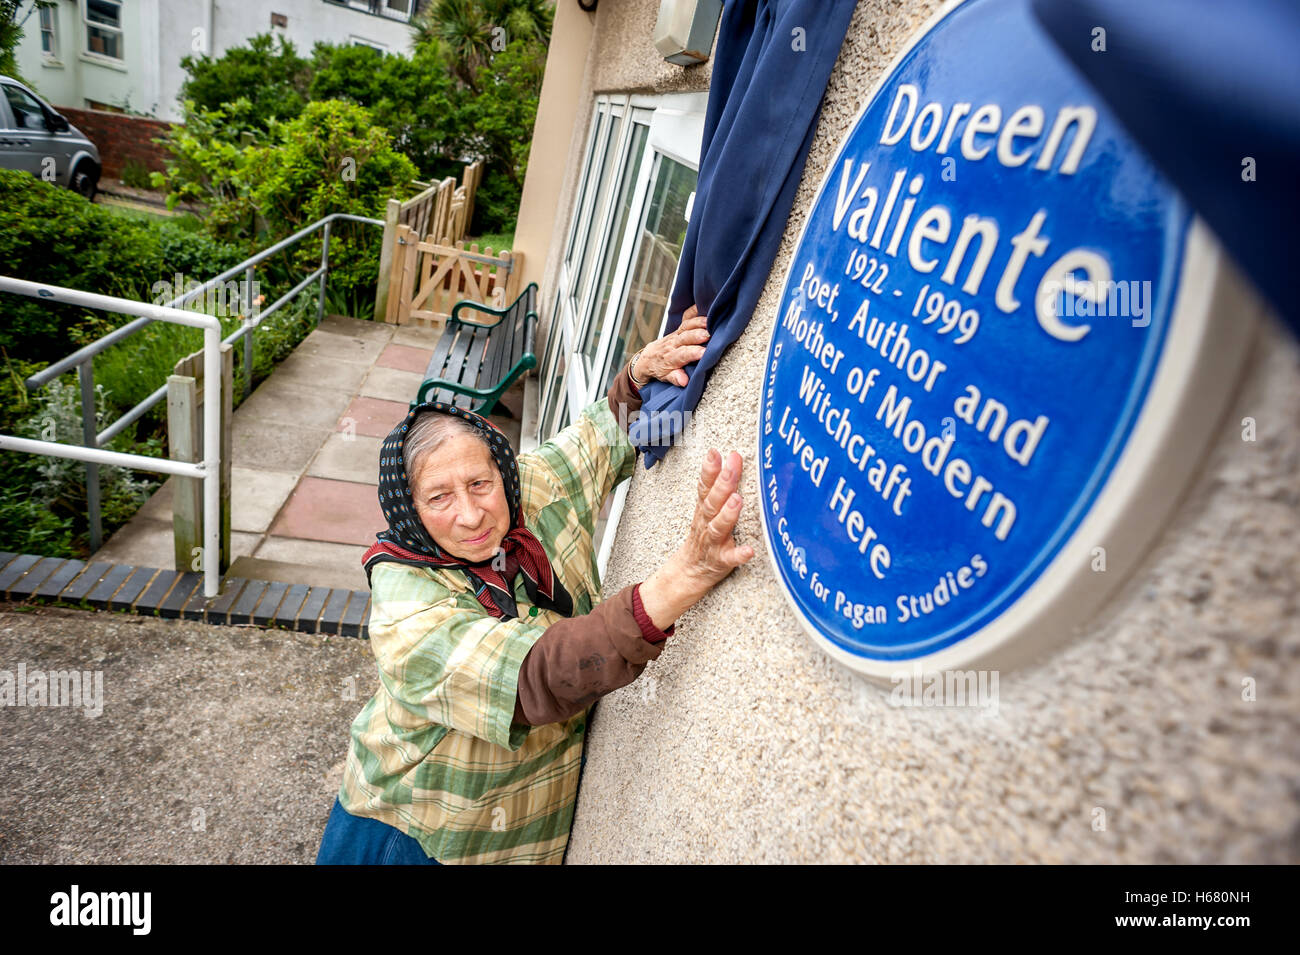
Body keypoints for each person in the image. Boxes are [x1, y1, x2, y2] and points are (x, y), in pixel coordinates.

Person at [315, 305, 754, 865]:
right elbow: (534, 678)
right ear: (409, 510)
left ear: (504, 473)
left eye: (480, 483)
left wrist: (640, 375)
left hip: (519, 840)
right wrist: (684, 577)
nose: (472, 515)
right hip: (415, 834)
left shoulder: (531, 488)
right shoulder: (405, 610)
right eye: (440, 497)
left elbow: (597, 438)